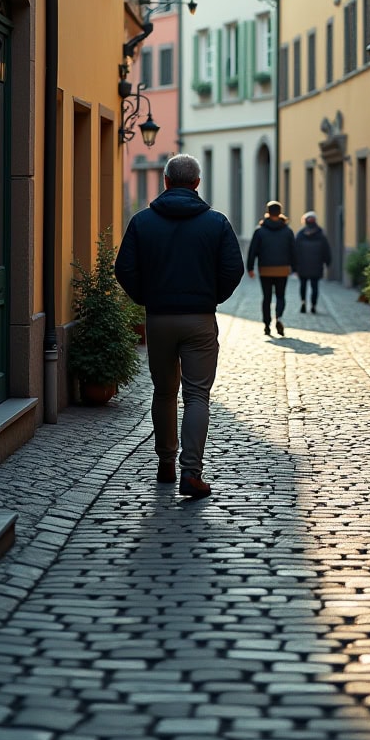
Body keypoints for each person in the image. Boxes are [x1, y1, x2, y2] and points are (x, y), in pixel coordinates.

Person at [115, 153, 243, 499]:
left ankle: (165, 463)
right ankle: (192, 472)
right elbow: (234, 269)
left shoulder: (142, 222)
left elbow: (123, 269)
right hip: (200, 319)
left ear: (166, 181)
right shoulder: (216, 223)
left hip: (158, 319)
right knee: (197, 394)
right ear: (197, 184)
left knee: (164, 390)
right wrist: (210, 296)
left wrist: (148, 297)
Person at [246, 200, 295, 337]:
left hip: (265, 268)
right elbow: (293, 251)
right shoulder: (287, 231)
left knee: (266, 297)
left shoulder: (260, 231)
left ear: (268, 212)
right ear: (280, 213)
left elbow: (253, 250)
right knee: (280, 295)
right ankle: (278, 317)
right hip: (282, 268)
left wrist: (250, 267)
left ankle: (267, 325)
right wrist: (294, 267)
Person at [294, 211, 332, 313]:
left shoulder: (300, 234)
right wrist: (327, 262)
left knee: (303, 285)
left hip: (302, 266)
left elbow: (295, 251)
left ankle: (303, 302)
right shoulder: (321, 234)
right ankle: (313, 305)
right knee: (315, 286)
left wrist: (294, 266)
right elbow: (326, 250)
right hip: (316, 265)